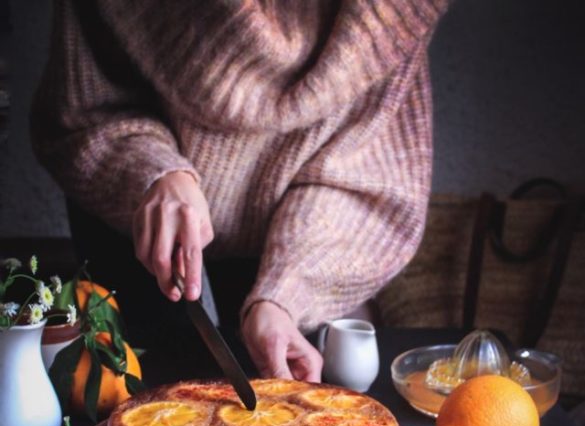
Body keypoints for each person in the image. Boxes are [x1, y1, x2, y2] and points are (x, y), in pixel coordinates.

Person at [31, 0, 450, 381]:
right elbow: (86, 108)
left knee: (272, 387)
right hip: (137, 219)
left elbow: (364, 171)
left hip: (300, 237)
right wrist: (154, 172)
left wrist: (283, 297)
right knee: (134, 390)